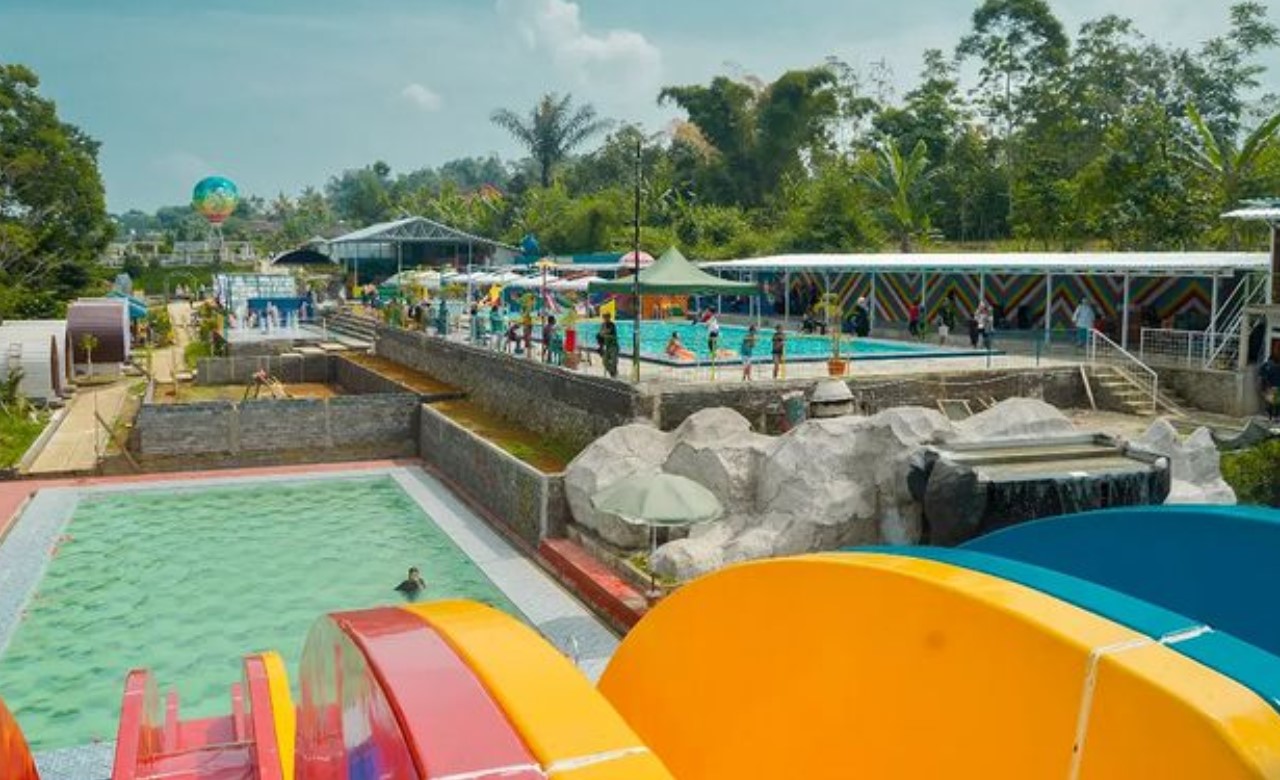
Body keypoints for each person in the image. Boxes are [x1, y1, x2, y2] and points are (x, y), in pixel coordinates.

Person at [1260, 343, 1280, 422]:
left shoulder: (1268, 366)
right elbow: (1264, 377)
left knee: (1272, 403)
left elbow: (1263, 377)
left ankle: (1271, 417)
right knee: (1275, 403)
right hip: (1274, 388)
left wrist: (1264, 388)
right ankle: (1275, 417)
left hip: (1271, 388)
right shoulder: (1272, 367)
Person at [598, 312, 619, 378]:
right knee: (604, 362)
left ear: (609, 318)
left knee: (614, 361)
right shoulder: (602, 325)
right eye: (604, 317)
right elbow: (601, 334)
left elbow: (607, 333)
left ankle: (613, 373)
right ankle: (612, 371)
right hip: (606, 346)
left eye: (606, 317)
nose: (605, 319)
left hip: (613, 346)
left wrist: (604, 334)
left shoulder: (612, 325)